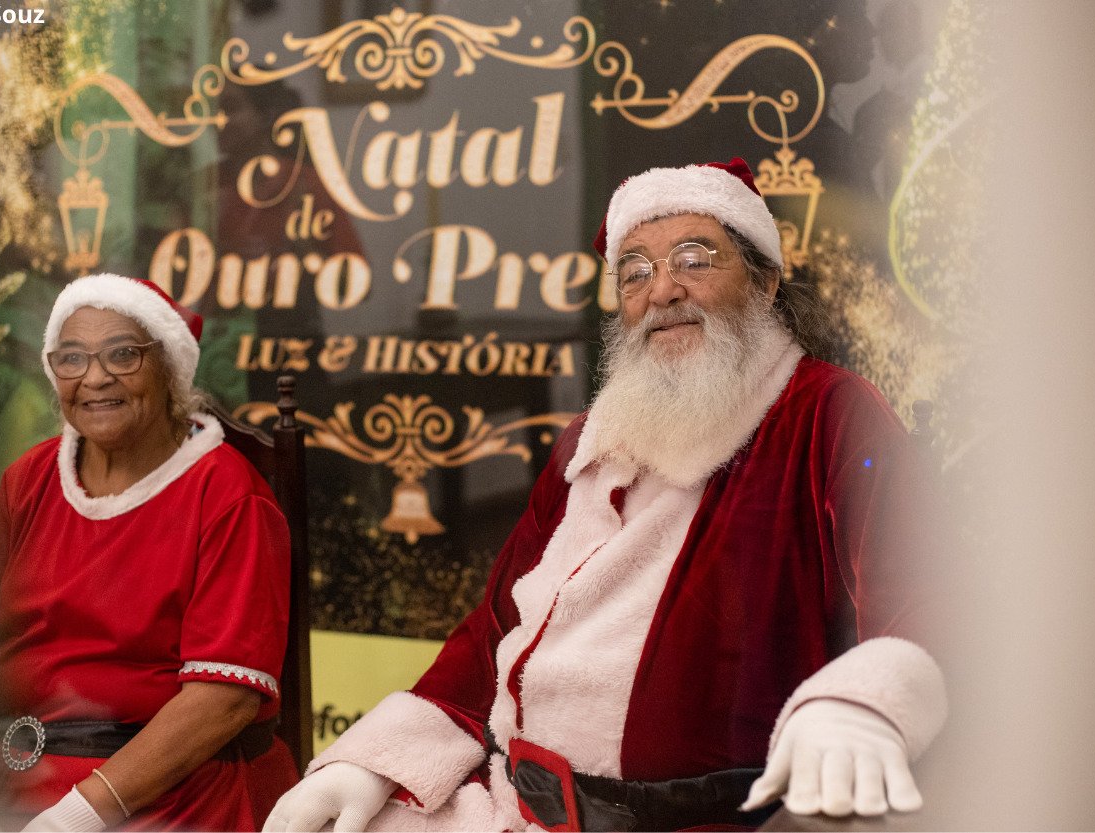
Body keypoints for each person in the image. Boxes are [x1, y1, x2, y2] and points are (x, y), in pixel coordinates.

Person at [265, 159, 947, 832]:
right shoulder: (594, 436)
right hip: (511, 804)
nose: (663, 290)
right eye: (636, 273)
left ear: (765, 282)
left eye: (693, 259)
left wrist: (863, 705)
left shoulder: (826, 413)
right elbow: (498, 629)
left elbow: (926, 601)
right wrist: (379, 760)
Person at [0, 274, 297, 831]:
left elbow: (223, 701)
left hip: (168, 797)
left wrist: (72, 819)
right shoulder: (27, 479)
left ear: (170, 369)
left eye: (123, 355)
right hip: (7, 782)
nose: (95, 378)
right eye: (71, 358)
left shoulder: (228, 494)